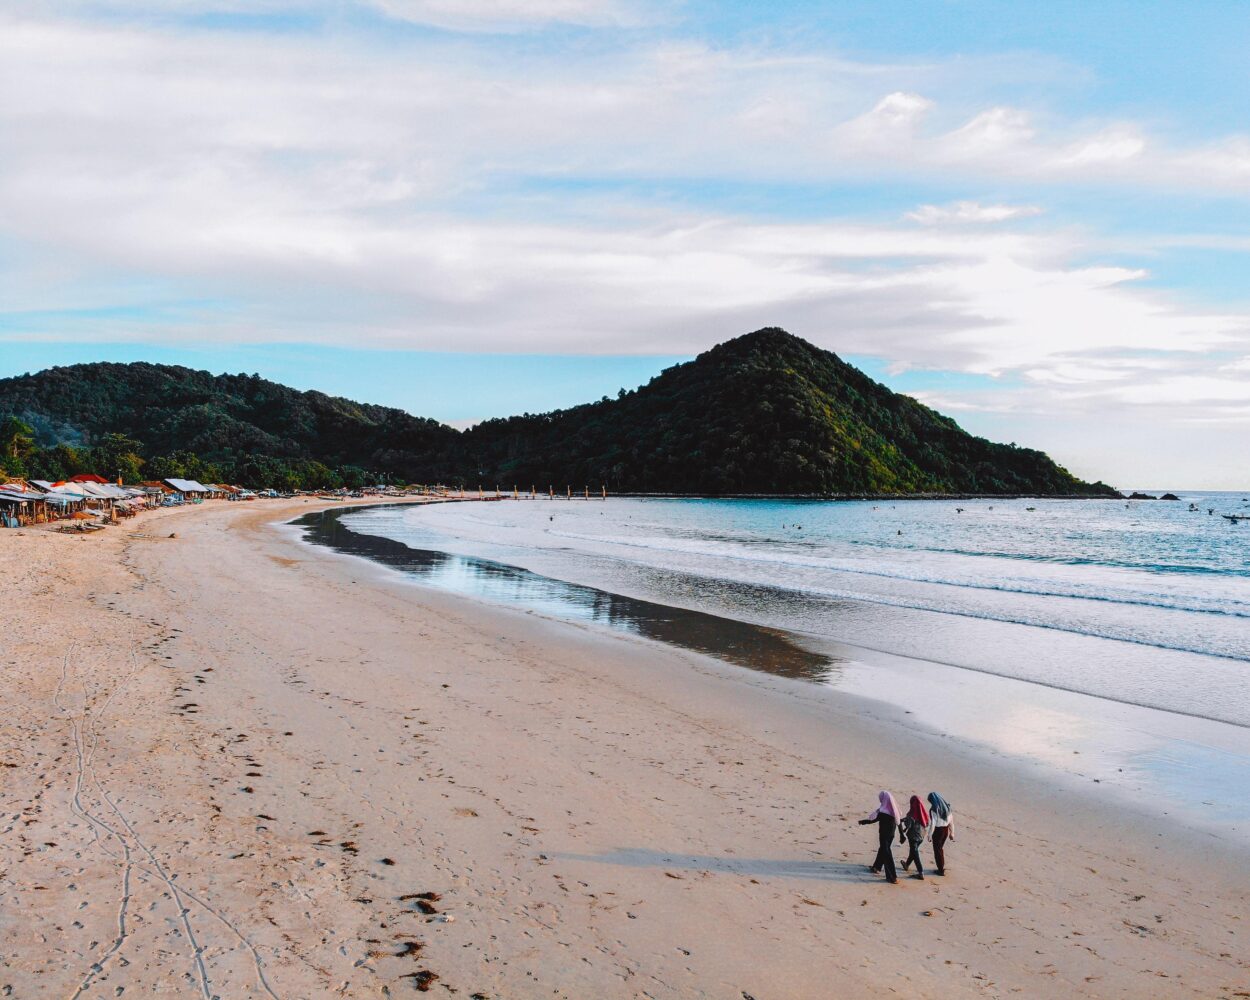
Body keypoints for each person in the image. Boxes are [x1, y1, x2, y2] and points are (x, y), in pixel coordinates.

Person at [857, 791, 900, 883]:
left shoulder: (883, 812)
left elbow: (873, 820)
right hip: (891, 835)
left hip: (884, 835)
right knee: (883, 849)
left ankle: (892, 877)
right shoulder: (894, 811)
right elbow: (899, 823)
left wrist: (863, 822)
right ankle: (876, 867)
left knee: (886, 853)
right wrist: (902, 835)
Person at [898, 795, 929, 879]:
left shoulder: (911, 813)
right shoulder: (923, 813)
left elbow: (909, 824)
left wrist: (904, 823)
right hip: (921, 836)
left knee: (915, 853)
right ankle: (906, 865)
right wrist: (905, 819)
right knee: (913, 851)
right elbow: (925, 823)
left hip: (913, 837)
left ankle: (920, 872)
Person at [927, 792, 954, 876]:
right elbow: (951, 822)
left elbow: (933, 824)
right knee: (940, 849)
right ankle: (941, 866)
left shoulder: (934, 810)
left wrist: (929, 835)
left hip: (938, 832)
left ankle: (940, 870)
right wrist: (952, 833)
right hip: (945, 831)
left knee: (937, 850)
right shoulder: (947, 808)